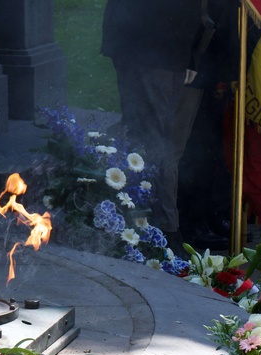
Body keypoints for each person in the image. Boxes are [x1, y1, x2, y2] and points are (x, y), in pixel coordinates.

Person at [101, 0, 209, 249]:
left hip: (161, 46)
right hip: (153, 44)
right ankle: (155, 230)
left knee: (157, 143)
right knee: (151, 141)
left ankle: (158, 232)